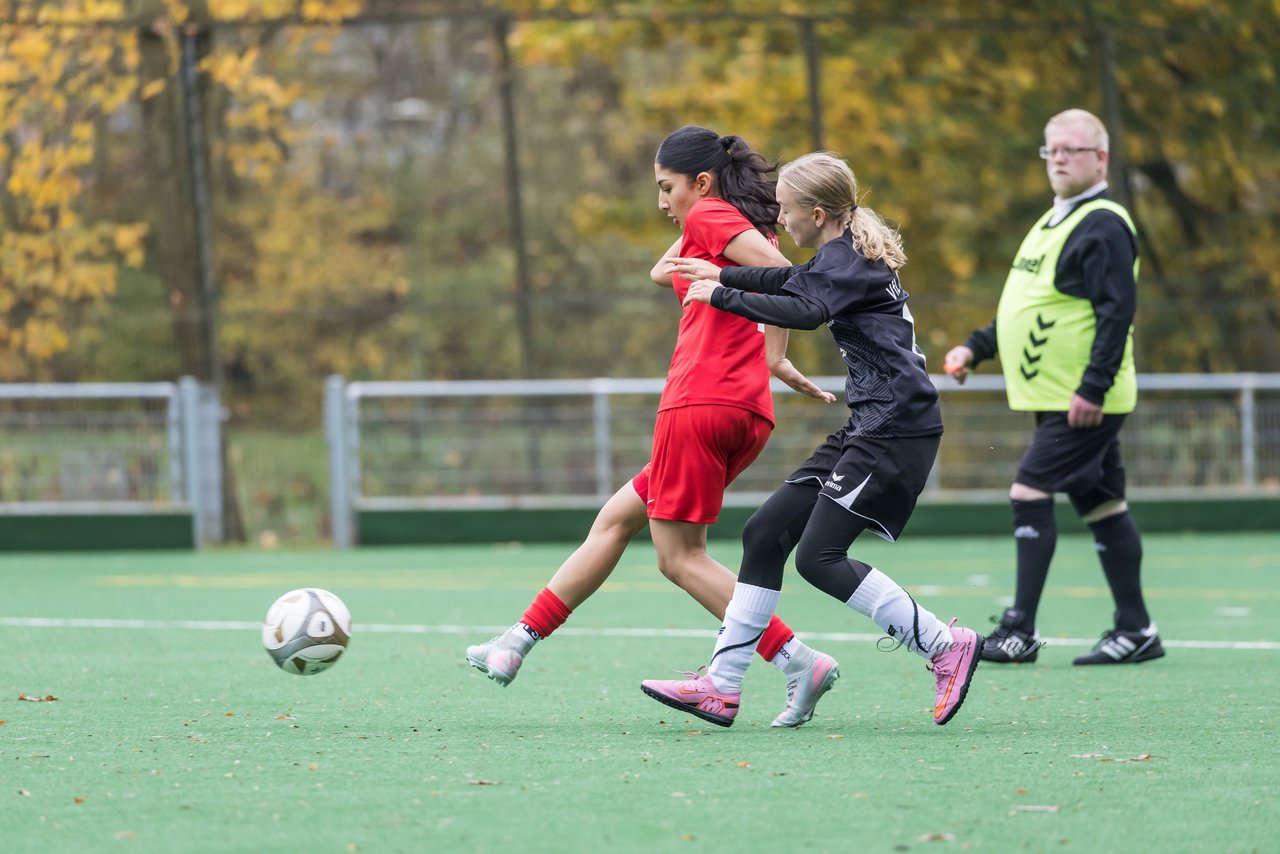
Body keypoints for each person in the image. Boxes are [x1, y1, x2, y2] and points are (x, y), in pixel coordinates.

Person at [467, 126, 843, 727]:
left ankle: (798, 660)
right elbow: (682, 272)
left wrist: (722, 283)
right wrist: (772, 356)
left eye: (667, 189)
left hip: (699, 402)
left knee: (679, 558)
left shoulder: (713, 215)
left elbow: (789, 279)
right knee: (616, 521)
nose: (662, 204)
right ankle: (515, 643)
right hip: (744, 410)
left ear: (701, 182)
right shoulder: (737, 225)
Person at [641, 152, 983, 728]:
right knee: (765, 532)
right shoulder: (838, 253)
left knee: (820, 558)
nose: (780, 221)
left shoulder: (846, 259)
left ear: (817, 213)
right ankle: (721, 687)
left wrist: (720, 295)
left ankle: (944, 646)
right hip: (871, 424)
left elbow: (805, 310)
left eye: (786, 212)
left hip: (896, 428)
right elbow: (787, 279)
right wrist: (721, 272)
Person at [943, 108, 1163, 666]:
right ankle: (1136, 630)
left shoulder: (1104, 223)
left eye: (1072, 149)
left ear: (1101, 159)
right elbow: (1030, 305)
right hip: (1055, 398)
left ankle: (1019, 631)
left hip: (1082, 402)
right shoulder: (1053, 221)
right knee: (1102, 505)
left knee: (1028, 492)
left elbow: (1118, 314)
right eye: (1051, 150)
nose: (1059, 158)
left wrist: (1092, 388)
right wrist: (976, 347)